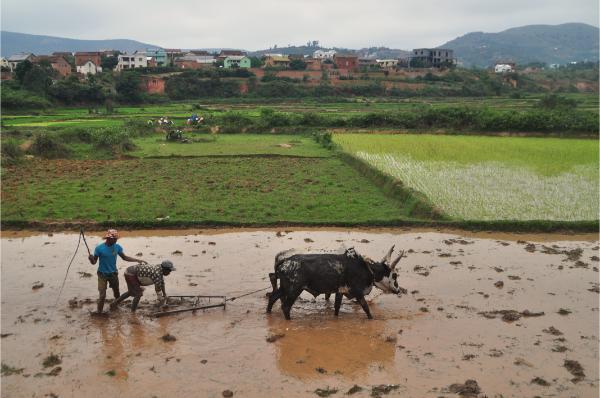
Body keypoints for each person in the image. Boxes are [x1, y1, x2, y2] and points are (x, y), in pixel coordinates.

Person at [88, 229, 147, 314]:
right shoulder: (99, 248)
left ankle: (116, 307)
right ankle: (99, 312)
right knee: (102, 295)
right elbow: (94, 262)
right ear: (108, 238)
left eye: (116, 239)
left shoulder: (117, 247)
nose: (116, 240)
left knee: (116, 293)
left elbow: (124, 257)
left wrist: (137, 260)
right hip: (102, 274)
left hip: (113, 274)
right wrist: (91, 258)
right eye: (114, 239)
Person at [111, 260, 176, 312]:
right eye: (169, 271)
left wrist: (164, 294)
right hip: (131, 274)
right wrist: (161, 299)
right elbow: (158, 289)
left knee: (130, 292)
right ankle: (133, 312)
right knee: (138, 294)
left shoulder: (160, 268)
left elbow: (162, 283)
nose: (169, 273)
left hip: (131, 272)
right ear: (165, 269)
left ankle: (114, 304)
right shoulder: (157, 274)